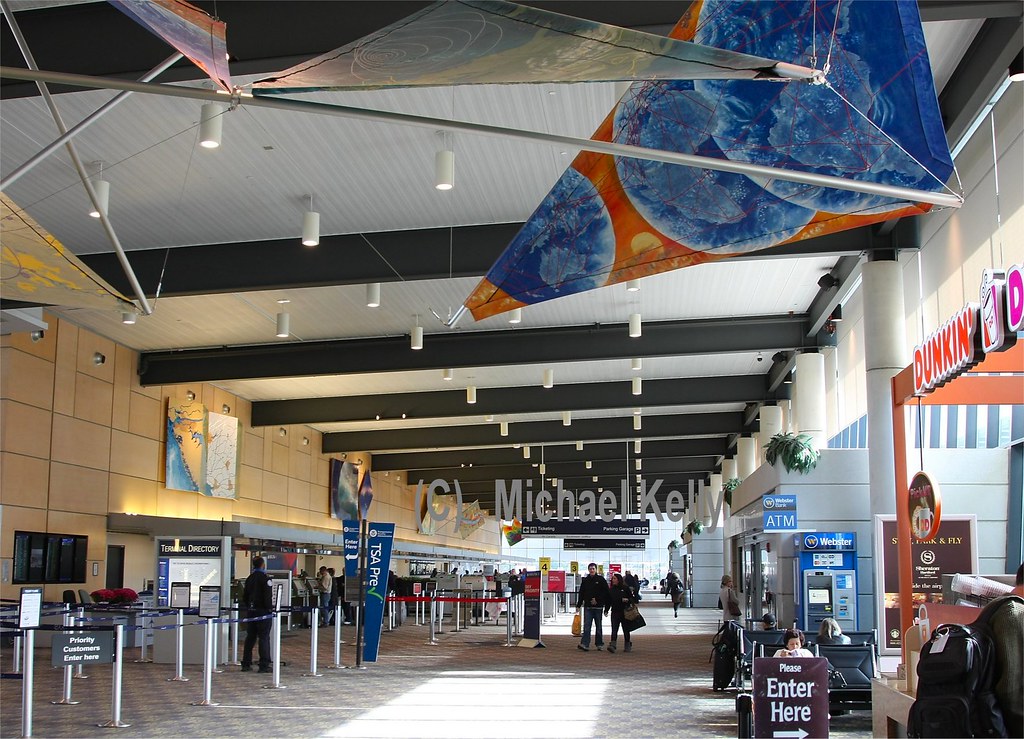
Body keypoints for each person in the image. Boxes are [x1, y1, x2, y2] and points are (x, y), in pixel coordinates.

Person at [241, 556, 274, 673]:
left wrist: (249, 607)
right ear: (263, 565)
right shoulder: (265, 579)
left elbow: (245, 596)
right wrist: (270, 609)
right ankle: (264, 664)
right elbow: (267, 597)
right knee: (264, 637)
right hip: (263, 612)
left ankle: (246, 663)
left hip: (251, 611)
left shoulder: (249, 578)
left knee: (250, 637)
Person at [575, 562, 609, 651]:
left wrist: (598, 600)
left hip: (598, 607)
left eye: (593, 569)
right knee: (587, 626)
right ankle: (585, 644)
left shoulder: (601, 579)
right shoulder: (585, 580)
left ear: (596, 569)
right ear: (588, 570)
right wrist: (578, 605)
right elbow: (582, 593)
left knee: (598, 626)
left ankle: (599, 644)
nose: (592, 570)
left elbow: (605, 592)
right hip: (588, 607)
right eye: (590, 569)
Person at [605, 572, 637, 653]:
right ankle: (613, 645)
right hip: (615, 611)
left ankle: (627, 644)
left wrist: (628, 600)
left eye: (614, 578)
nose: (613, 580)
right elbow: (608, 601)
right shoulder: (611, 590)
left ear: (619, 580)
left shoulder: (625, 588)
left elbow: (632, 599)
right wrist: (606, 610)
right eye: (612, 578)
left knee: (626, 629)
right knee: (614, 629)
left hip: (625, 612)